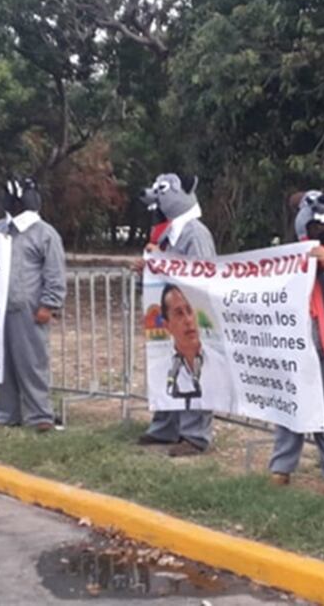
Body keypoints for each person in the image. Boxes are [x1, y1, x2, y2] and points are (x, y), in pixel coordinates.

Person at [269, 190, 324, 490]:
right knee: (289, 407)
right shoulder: (287, 254)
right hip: (293, 347)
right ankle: (281, 468)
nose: (319, 227)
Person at [135, 173, 218, 457]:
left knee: (195, 371)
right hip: (170, 314)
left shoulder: (195, 234)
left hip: (191, 315)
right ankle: (165, 427)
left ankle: (195, 435)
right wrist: (148, 270)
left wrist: (162, 260)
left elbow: (200, 274)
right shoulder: (168, 234)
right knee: (168, 368)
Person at [0, 176, 66, 432]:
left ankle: (39, 415)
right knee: (3, 364)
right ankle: (7, 414)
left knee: (32, 363)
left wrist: (49, 304)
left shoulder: (44, 233)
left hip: (29, 310)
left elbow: (54, 272)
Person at [150, 284, 232, 415]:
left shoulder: (222, 366)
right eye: (179, 313)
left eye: (189, 311)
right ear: (167, 325)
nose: (188, 320)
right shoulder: (157, 373)